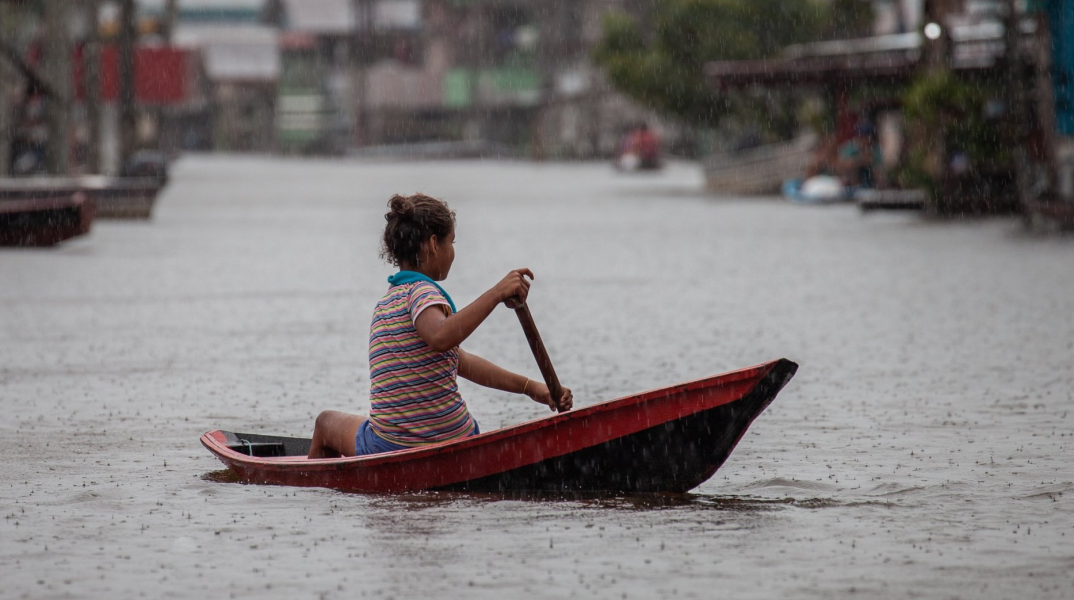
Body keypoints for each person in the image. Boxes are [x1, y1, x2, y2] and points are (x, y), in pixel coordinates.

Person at [307, 193, 574, 458]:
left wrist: (531, 388)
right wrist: (497, 293)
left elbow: (455, 357)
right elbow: (441, 337)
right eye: (452, 242)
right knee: (326, 421)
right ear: (434, 244)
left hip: (392, 447)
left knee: (324, 423)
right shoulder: (421, 293)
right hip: (456, 440)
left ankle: (327, 484)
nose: (453, 252)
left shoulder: (390, 302)